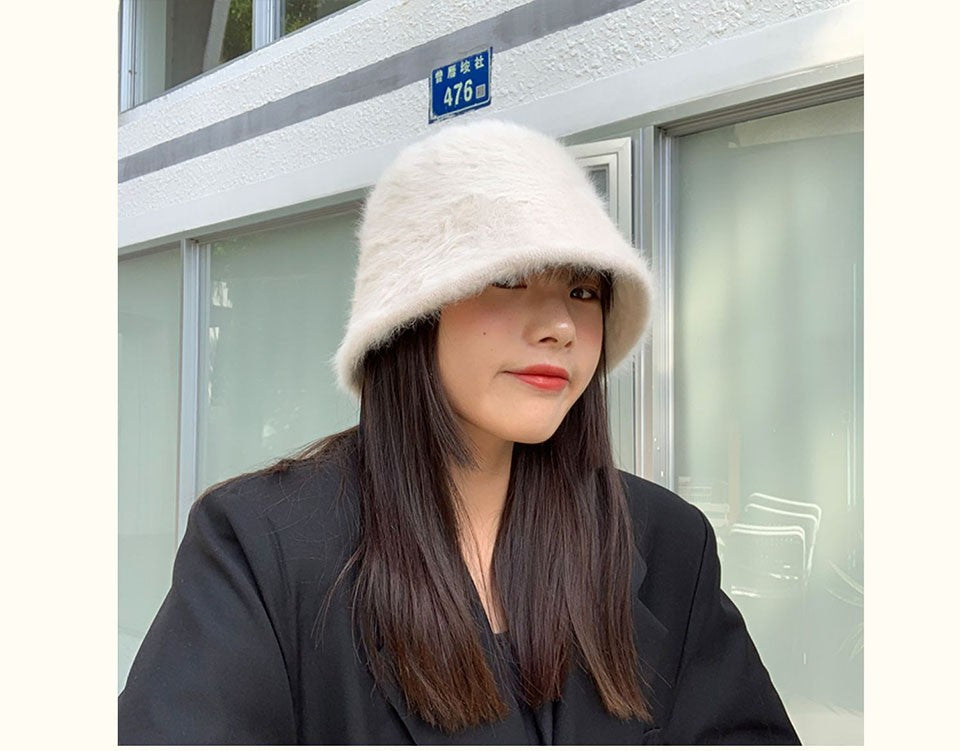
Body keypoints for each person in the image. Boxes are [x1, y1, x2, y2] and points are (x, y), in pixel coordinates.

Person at [118, 119, 800, 745]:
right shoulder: (262, 548)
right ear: (410, 315)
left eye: (583, 291)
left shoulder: (666, 541)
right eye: (508, 278)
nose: (560, 325)